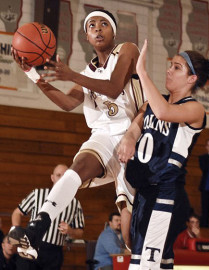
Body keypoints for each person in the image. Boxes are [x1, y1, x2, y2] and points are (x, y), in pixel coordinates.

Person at [9, 9, 144, 259]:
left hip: (133, 137)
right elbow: (67, 103)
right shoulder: (89, 71)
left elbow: (114, 88)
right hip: (103, 134)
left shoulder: (127, 50)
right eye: (92, 25)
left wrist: (71, 75)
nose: (98, 28)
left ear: (114, 31)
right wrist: (32, 73)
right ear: (87, 36)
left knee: (130, 235)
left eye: (104, 24)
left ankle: (141, 257)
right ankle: (37, 229)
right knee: (77, 167)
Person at [117, 39, 209, 270]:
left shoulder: (194, 109)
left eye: (177, 67)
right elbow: (135, 126)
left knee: (144, 268)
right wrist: (129, 138)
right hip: (143, 193)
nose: (169, 70)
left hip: (166, 194)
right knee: (153, 265)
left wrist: (141, 72)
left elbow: (163, 112)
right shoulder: (151, 102)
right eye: (171, 65)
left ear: (192, 79)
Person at [11, 164, 85, 269]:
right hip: (30, 245)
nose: (61, 179)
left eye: (64, 176)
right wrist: (17, 230)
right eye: (58, 175)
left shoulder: (75, 203)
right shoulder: (38, 194)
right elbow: (17, 213)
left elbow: (80, 232)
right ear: (52, 177)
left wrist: (70, 231)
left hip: (54, 252)